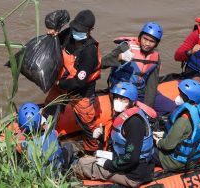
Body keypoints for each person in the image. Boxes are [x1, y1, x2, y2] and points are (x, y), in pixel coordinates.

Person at [74, 82, 156, 187]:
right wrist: (101, 137)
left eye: (123, 99)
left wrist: (108, 164)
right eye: (117, 98)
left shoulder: (134, 122)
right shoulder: (125, 115)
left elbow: (131, 158)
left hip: (133, 175)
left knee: (82, 163)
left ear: (132, 102)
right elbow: (120, 140)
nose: (118, 101)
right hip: (128, 164)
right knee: (96, 154)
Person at [44, 9, 102, 153]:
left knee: (87, 123)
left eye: (80, 30)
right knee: (49, 111)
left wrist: (59, 84)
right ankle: (44, 138)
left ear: (90, 30)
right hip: (61, 85)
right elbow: (55, 44)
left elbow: (79, 82)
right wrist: (53, 35)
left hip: (80, 92)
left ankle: (91, 149)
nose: (76, 32)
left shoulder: (90, 52)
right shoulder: (69, 33)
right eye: (75, 28)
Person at [152, 79, 200, 171]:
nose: (178, 97)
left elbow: (167, 146)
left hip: (176, 162)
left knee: (145, 149)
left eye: (181, 95)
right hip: (194, 156)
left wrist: (158, 141)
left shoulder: (183, 120)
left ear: (189, 99)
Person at [103, 22, 163, 108]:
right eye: (145, 39)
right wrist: (119, 58)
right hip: (120, 89)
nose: (147, 44)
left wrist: (147, 108)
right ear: (139, 37)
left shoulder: (156, 58)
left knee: (167, 106)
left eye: (152, 41)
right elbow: (102, 63)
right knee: (120, 108)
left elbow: (152, 86)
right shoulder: (125, 47)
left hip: (139, 92)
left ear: (156, 44)